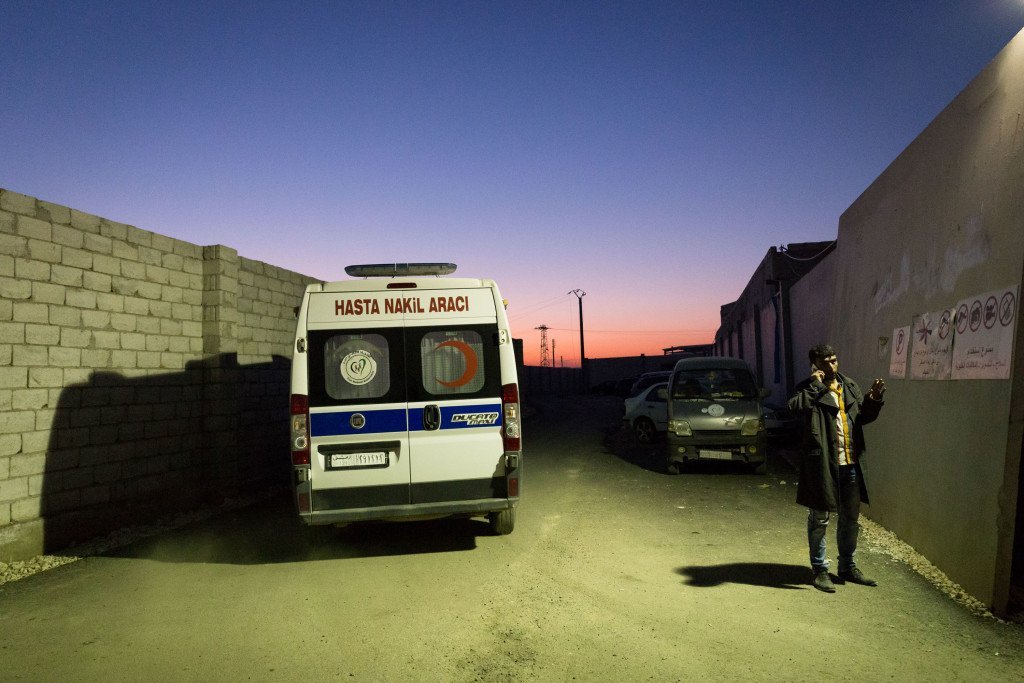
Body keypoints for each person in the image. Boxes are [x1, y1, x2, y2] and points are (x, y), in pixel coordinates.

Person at [788, 343, 886, 593]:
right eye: (827, 362)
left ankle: (847, 567)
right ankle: (820, 570)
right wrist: (817, 385)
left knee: (850, 519)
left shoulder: (849, 385)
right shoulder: (808, 388)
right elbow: (795, 408)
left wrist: (873, 400)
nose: (833, 365)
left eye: (835, 360)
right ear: (816, 365)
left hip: (850, 462)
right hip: (823, 464)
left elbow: (861, 418)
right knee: (820, 518)